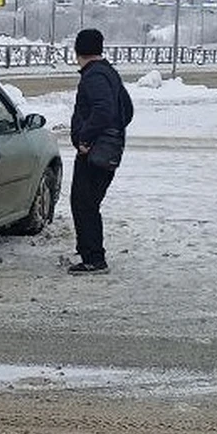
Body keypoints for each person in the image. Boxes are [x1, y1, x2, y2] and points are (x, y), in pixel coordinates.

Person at [69, 28, 132, 275]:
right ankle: (90, 250)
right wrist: (114, 133)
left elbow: (104, 110)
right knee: (88, 202)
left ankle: (94, 259)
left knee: (83, 203)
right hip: (106, 149)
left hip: (94, 152)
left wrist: (87, 137)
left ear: (77, 50)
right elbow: (126, 108)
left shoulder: (94, 76)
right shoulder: (108, 72)